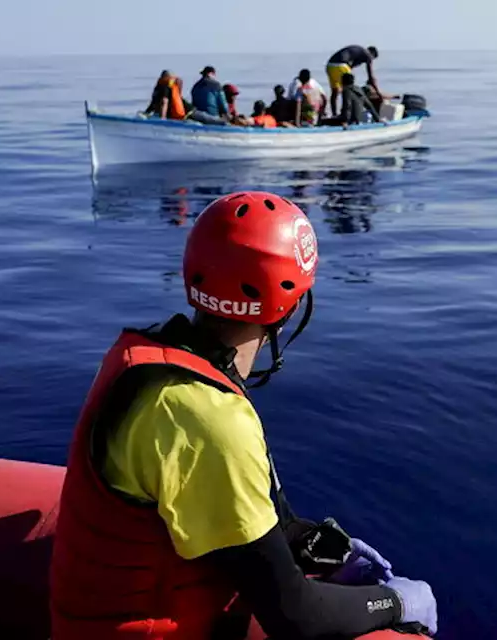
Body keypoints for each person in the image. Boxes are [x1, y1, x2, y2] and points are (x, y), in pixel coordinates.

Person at [49, 192, 439, 640]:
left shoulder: (140, 361)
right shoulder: (209, 419)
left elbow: (253, 517)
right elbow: (296, 617)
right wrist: (396, 601)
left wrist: (327, 548)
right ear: (289, 305)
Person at [327, 45, 381, 118]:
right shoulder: (368, 55)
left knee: (335, 91)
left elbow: (350, 67)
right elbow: (371, 77)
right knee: (350, 90)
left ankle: (334, 114)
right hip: (341, 65)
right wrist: (378, 93)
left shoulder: (358, 53)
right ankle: (346, 115)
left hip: (330, 65)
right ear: (372, 54)